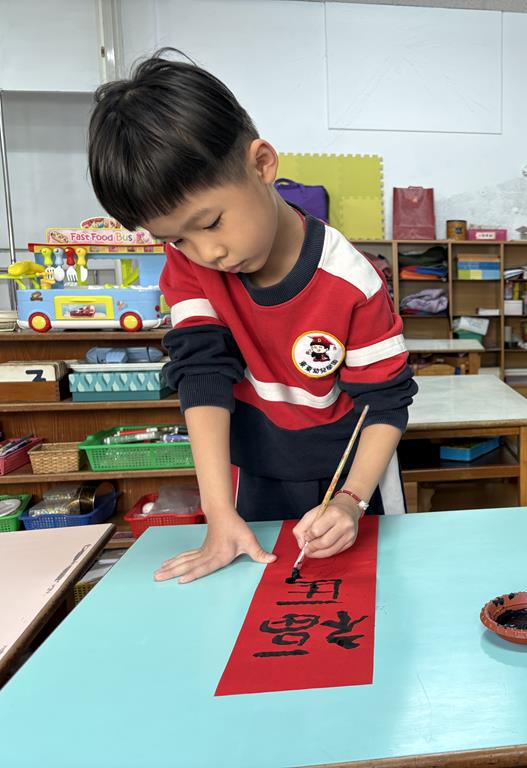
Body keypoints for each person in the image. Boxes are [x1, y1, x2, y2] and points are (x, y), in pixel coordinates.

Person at [88, 51, 416, 583]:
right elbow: (202, 372)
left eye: (211, 223)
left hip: (352, 474)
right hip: (253, 471)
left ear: (262, 164)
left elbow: (385, 403)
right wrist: (219, 513)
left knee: (366, 598)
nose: (207, 253)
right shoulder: (189, 265)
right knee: (251, 591)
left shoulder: (351, 280)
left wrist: (351, 501)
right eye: (177, 239)